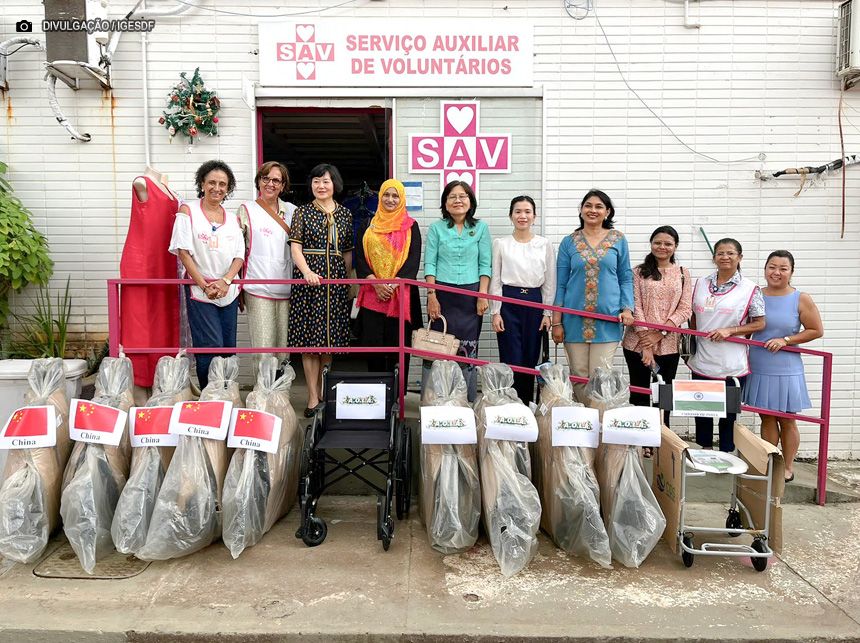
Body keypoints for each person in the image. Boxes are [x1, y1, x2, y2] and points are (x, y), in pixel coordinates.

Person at [744, 250, 823, 482]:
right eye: (772, 267)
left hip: (787, 366)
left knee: (788, 418)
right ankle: (770, 462)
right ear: (765, 268)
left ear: (791, 272)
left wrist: (786, 340)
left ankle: (787, 467)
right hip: (759, 362)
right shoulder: (754, 294)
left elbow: (816, 330)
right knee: (767, 417)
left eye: (783, 268)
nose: (776, 272)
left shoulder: (801, 298)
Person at [551, 189, 634, 406]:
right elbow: (560, 283)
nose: (593, 210)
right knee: (578, 374)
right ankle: (583, 423)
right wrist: (556, 321)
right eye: (588, 205)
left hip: (607, 320)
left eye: (599, 207)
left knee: (601, 375)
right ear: (581, 210)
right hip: (573, 320)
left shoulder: (618, 240)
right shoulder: (569, 242)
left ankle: (598, 426)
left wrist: (627, 308)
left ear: (607, 212)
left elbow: (626, 277)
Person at [168, 160, 244, 390]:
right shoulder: (187, 211)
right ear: (202, 183)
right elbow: (183, 251)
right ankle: (209, 395)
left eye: (223, 184)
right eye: (212, 182)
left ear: (228, 189)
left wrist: (225, 281)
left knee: (228, 347)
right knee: (210, 345)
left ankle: (226, 393)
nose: (217, 188)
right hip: (200, 291)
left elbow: (239, 256)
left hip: (228, 290)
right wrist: (203, 284)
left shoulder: (232, 219)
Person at [687, 238, 766, 452]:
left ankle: (725, 454)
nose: (725, 257)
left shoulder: (750, 289)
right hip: (702, 360)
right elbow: (693, 316)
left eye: (730, 253)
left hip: (732, 363)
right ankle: (704, 452)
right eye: (720, 253)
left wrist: (730, 331)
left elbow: (759, 323)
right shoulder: (701, 283)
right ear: (714, 257)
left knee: (728, 415)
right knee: (702, 411)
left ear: (740, 257)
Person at [288, 163, 353, 417]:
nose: (321, 186)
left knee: (328, 342)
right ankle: (312, 397)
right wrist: (306, 272)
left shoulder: (346, 214)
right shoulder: (302, 212)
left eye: (325, 181)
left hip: (335, 281)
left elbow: (347, 251)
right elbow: (295, 248)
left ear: (334, 184)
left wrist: (347, 283)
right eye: (316, 181)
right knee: (309, 341)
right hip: (309, 282)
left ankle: (326, 392)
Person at [424, 180, 491, 402]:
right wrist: (431, 296)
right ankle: (438, 399)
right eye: (452, 196)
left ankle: (465, 401)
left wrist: (482, 295)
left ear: (471, 201)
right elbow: (430, 264)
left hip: (471, 297)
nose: (458, 200)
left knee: (467, 350)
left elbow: (485, 264)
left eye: (463, 196)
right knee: (439, 348)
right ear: (445, 202)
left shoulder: (480, 228)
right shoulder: (436, 228)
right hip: (442, 294)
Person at [622, 225, 692, 428]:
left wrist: (660, 333)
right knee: (639, 391)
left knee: (664, 393)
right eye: (658, 242)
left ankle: (661, 436)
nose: (662, 247)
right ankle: (641, 437)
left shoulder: (682, 273)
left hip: (669, 343)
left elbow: (685, 309)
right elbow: (635, 306)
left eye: (668, 243)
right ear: (651, 244)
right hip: (637, 343)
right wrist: (646, 343)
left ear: (675, 246)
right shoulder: (638, 272)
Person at [122, 166, 181, 403]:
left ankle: (163, 379)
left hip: (166, 260)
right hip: (144, 261)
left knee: (165, 321)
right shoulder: (142, 183)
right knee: (141, 323)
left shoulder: (168, 188)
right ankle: (141, 384)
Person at [489, 195, 556, 405]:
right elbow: (496, 279)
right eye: (518, 211)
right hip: (509, 302)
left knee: (529, 358)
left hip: (535, 303)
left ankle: (526, 405)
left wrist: (547, 312)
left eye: (527, 212)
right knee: (511, 357)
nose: (523, 216)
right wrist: (496, 311)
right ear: (511, 216)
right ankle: (509, 405)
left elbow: (550, 281)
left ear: (534, 216)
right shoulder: (501, 244)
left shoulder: (544, 245)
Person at [355, 179, 422, 374]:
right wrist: (375, 283)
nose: (390, 199)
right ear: (380, 196)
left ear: (401, 199)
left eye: (395, 196)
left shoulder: (411, 226)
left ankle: (396, 396)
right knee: (373, 345)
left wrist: (393, 285)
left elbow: (413, 258)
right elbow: (359, 257)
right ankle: (377, 394)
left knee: (398, 347)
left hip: (400, 295)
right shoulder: (368, 225)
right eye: (386, 194)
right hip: (372, 294)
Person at [238, 161, 297, 370]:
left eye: (276, 180)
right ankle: (263, 394)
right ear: (259, 181)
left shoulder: (292, 211)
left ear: (283, 185)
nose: (270, 184)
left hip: (287, 287)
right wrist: (238, 287)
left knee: (283, 349)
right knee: (263, 348)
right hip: (257, 286)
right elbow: (237, 251)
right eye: (266, 178)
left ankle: (280, 395)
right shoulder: (247, 210)